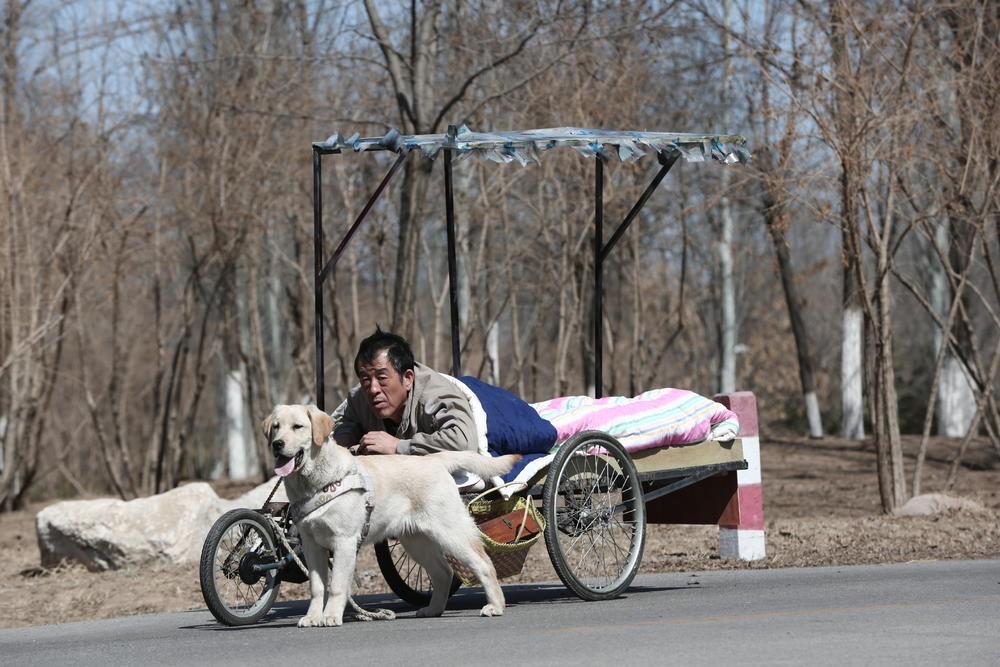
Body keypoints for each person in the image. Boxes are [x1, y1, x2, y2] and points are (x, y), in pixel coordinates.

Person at [331, 327, 479, 456]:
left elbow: (463, 441)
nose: (373, 389)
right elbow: (346, 424)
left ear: (408, 378)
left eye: (382, 377)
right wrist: (345, 445)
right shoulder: (359, 398)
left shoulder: (433, 396)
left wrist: (397, 446)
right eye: (365, 379)